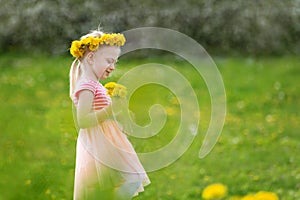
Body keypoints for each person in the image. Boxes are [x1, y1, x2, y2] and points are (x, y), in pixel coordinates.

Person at [69, 29, 150, 200]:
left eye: (115, 62)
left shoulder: (95, 85)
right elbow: (83, 120)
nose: (113, 66)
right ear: (91, 58)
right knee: (128, 179)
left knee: (126, 179)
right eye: (109, 61)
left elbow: (101, 113)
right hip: (99, 143)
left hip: (108, 139)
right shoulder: (87, 86)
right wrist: (110, 110)